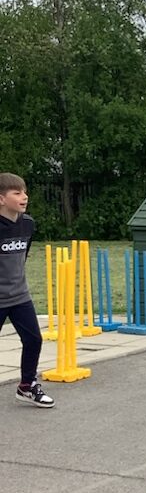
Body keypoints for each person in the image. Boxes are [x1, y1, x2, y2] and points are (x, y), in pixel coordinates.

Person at [0, 173, 54, 408]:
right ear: (1, 199)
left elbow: (22, 257)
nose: (25, 196)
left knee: (33, 340)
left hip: (20, 296)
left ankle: (27, 387)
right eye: (17, 193)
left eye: (24, 192)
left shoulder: (28, 224)